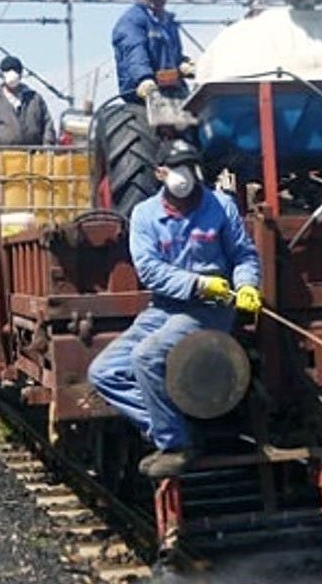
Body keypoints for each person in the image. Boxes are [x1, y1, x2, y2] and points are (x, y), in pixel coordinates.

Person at [88, 140, 261, 478]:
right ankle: (175, 431)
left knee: (146, 357)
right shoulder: (145, 215)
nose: (183, 175)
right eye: (175, 167)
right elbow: (149, 270)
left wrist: (247, 286)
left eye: (188, 165)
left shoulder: (220, 206)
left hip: (210, 310)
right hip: (165, 306)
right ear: (159, 173)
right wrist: (196, 283)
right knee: (104, 372)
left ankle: (176, 445)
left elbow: (243, 254)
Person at [112, 0, 194, 103]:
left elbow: (174, 56)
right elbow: (135, 51)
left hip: (173, 91)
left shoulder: (168, 22)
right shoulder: (132, 21)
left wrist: (183, 65)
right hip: (141, 96)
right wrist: (144, 78)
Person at [0, 55, 56, 147]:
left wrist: (48, 146)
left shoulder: (35, 99)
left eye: (16, 70)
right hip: (2, 157)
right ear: (1, 75)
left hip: (33, 156)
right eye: (8, 71)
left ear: (21, 74)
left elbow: (47, 124)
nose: (12, 74)